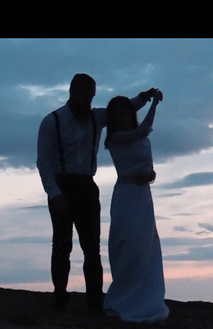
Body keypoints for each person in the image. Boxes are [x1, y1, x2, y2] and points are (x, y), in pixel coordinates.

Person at [36, 73, 156, 311]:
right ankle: (60, 295)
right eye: (85, 96)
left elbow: (124, 108)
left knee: (91, 247)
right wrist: (54, 193)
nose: (89, 102)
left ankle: (94, 300)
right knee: (61, 244)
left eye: (92, 97)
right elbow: (43, 161)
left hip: (87, 187)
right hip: (62, 186)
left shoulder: (96, 117)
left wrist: (145, 97)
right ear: (72, 92)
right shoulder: (52, 121)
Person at [103, 87, 170, 323]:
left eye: (123, 112)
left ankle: (145, 297)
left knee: (146, 247)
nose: (120, 117)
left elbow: (145, 159)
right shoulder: (115, 138)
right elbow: (145, 130)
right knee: (130, 246)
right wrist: (153, 104)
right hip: (127, 196)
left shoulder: (134, 134)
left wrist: (150, 174)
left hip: (143, 196)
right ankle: (125, 299)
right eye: (115, 114)